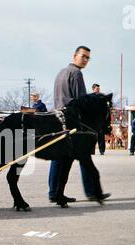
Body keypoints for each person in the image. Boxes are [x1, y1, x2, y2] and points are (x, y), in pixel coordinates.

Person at [49, 46, 110, 203]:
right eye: (83, 56)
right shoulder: (76, 73)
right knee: (84, 155)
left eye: (88, 58)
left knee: (58, 157)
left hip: (58, 118)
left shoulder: (61, 72)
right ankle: (91, 191)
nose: (85, 60)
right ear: (74, 56)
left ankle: (54, 192)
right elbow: (82, 101)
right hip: (72, 120)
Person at [91, 83, 105, 155]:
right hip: (92, 119)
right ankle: (91, 150)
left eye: (99, 89)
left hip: (100, 119)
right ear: (93, 89)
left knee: (101, 135)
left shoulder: (102, 96)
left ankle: (102, 150)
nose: (98, 90)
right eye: (97, 89)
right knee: (92, 135)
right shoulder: (90, 97)